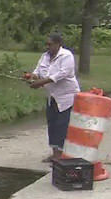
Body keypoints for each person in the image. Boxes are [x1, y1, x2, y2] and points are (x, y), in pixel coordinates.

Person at [27, 33, 81, 162]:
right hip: (52, 96)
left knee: (62, 125)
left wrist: (41, 82)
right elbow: (37, 71)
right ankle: (55, 153)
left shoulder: (66, 56)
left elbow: (61, 74)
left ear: (58, 44)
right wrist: (31, 77)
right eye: (46, 44)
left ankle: (61, 156)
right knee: (52, 124)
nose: (47, 47)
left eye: (50, 44)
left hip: (67, 97)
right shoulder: (45, 57)